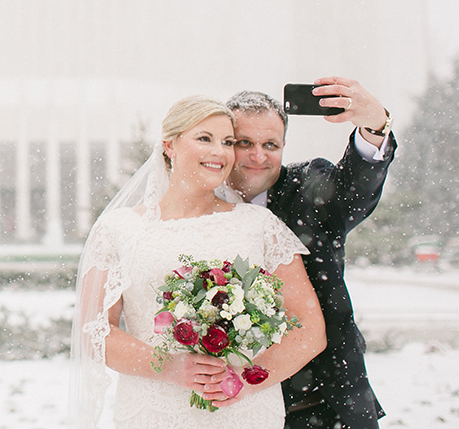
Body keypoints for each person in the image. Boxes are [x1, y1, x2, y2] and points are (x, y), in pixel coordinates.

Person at [70, 95, 326, 429]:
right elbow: (95, 331)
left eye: (229, 142)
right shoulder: (119, 229)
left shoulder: (260, 225)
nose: (220, 152)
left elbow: (309, 328)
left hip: (244, 412)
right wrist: (169, 366)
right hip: (152, 412)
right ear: (169, 146)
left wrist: (247, 379)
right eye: (204, 138)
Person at [226, 77, 396, 429]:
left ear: (285, 145)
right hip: (225, 407)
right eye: (245, 143)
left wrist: (375, 124)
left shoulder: (310, 188)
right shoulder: (198, 206)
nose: (259, 156)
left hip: (319, 405)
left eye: (270, 144)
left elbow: (355, 188)